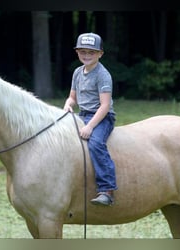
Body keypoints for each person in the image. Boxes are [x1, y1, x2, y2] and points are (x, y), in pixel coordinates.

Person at [63, 32, 117, 206]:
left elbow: (105, 105)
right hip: (83, 114)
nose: (86, 55)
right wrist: (68, 104)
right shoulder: (78, 72)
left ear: (100, 54)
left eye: (91, 52)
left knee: (95, 143)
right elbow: (73, 97)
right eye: (83, 51)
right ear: (77, 52)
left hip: (102, 117)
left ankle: (106, 189)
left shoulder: (103, 75)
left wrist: (90, 127)